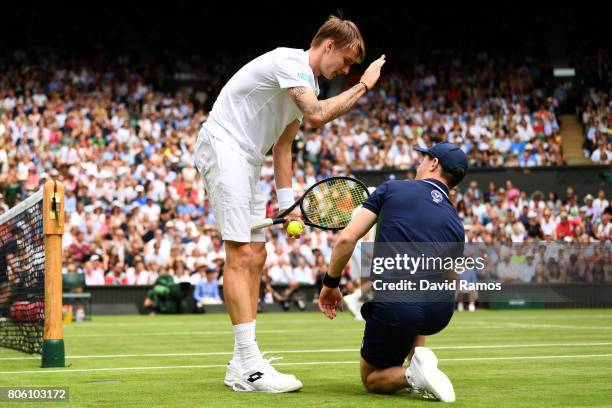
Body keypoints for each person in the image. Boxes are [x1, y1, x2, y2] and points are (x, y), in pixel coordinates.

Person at [194, 15, 386, 393]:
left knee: (257, 255)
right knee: (240, 254)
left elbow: (283, 145)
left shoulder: (306, 84)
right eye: (345, 61)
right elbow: (317, 115)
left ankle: (242, 362)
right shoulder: (290, 62)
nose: (345, 70)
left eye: (352, 68)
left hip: (249, 159)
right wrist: (363, 85)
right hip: (224, 145)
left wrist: (288, 204)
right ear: (328, 45)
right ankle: (248, 365)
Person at [319, 142, 468, 402]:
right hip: (439, 311)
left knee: (372, 378)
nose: (419, 163)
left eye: (424, 158)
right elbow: (449, 277)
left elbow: (345, 239)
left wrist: (330, 284)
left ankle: (412, 375)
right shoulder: (456, 221)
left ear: (434, 164)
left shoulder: (392, 188)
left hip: (398, 305)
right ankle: (419, 360)